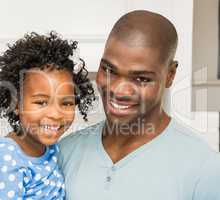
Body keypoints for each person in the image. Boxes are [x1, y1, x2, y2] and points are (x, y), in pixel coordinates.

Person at [58, 10, 220, 200]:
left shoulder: (204, 167)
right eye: (109, 70)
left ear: (170, 75)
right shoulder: (65, 151)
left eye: (141, 78)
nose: (119, 90)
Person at [0, 32, 95, 200]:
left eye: (66, 103)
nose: (55, 114)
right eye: (41, 102)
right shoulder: (6, 164)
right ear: (15, 104)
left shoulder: (51, 149)